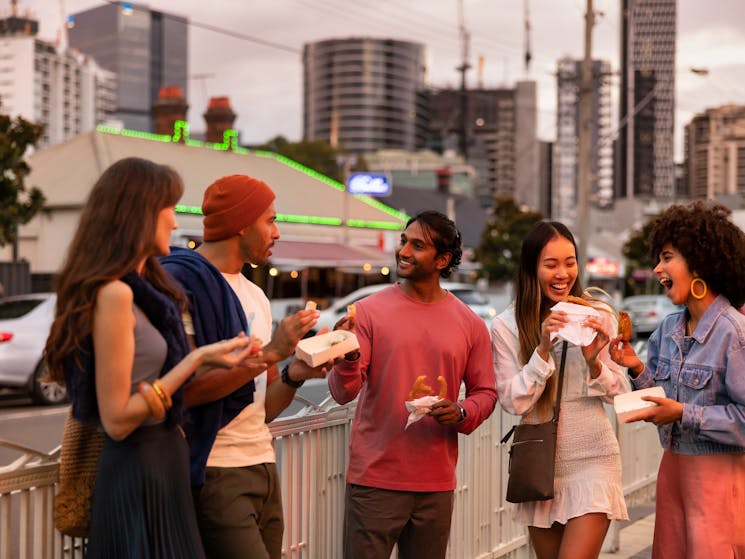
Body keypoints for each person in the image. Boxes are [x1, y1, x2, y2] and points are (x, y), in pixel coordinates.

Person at [44, 157, 259, 558]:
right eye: (170, 209)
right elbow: (118, 420)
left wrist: (209, 358)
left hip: (162, 465)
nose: (176, 223)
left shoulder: (144, 290)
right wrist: (194, 363)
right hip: (138, 470)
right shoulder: (117, 294)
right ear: (139, 214)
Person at [161, 174, 324, 559]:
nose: (278, 232)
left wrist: (296, 372)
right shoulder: (183, 283)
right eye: (270, 220)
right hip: (215, 470)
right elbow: (186, 391)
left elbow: (261, 408)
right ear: (240, 223)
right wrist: (270, 352)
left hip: (262, 464)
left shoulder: (256, 296)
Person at [328, 210, 498, 559]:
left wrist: (462, 410)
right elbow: (342, 392)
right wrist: (346, 359)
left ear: (443, 259)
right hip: (375, 480)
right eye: (403, 241)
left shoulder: (470, 324)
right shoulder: (367, 312)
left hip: (436, 483)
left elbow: (487, 392)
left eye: (417, 245)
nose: (403, 251)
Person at [609, 202, 745, 558]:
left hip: (718, 479)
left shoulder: (734, 333)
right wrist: (636, 368)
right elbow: (661, 397)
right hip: (673, 471)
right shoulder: (668, 329)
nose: (658, 269)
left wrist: (683, 413)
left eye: (667, 257)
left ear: (700, 262)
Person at [491, 220, 629, 559]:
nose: (562, 273)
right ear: (531, 267)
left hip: (595, 459)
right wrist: (541, 349)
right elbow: (512, 400)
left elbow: (621, 393)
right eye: (551, 264)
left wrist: (595, 362)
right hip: (541, 465)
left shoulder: (597, 316)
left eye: (569, 262)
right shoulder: (506, 326)